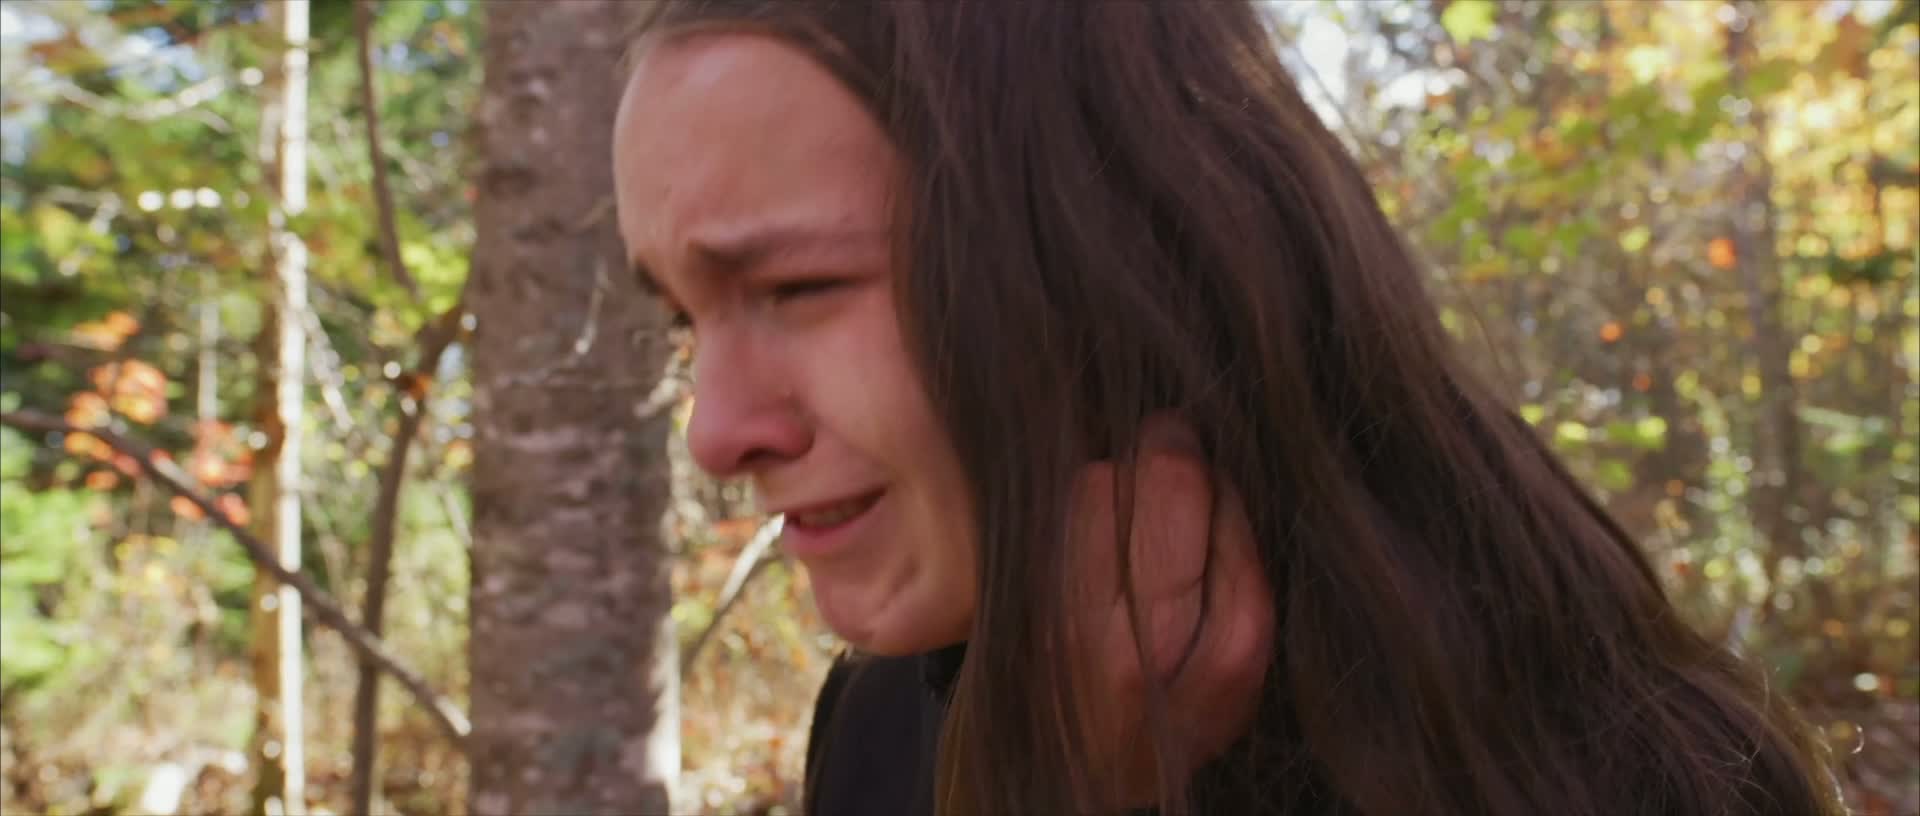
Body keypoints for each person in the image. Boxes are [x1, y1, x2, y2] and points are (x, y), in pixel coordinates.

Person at [610, 3, 1845, 815]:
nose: (715, 432)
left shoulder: (1615, 771)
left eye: (799, 286)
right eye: (683, 320)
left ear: (1107, 249)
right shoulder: (887, 724)